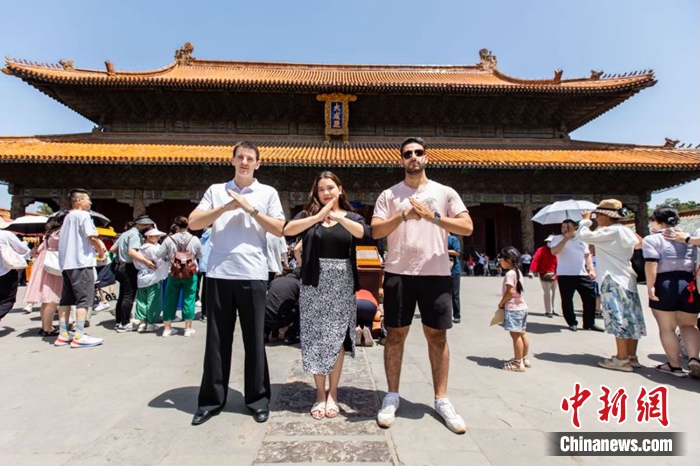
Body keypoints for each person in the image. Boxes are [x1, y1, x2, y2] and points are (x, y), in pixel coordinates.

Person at [371, 136, 473, 434]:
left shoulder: (445, 192)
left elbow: (467, 226)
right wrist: (404, 214)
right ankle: (392, 395)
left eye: (418, 152)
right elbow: (376, 230)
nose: (413, 157)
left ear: (426, 157)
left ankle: (441, 398)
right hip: (399, 273)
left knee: (437, 336)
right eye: (408, 153)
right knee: (395, 335)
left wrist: (434, 217)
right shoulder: (389, 195)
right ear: (401, 160)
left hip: (435, 273)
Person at [189, 141, 285, 426]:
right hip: (220, 273)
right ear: (232, 160)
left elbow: (279, 228)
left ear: (258, 163)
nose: (244, 162)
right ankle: (211, 400)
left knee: (255, 340)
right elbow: (194, 222)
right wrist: (226, 206)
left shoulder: (267, 193)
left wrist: (249, 209)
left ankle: (258, 400)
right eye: (240, 157)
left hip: (253, 273)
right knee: (217, 341)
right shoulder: (216, 190)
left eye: (250, 158)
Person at [283, 171, 370, 420]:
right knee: (315, 337)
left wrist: (337, 216)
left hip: (341, 282)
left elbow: (364, 233)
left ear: (340, 189)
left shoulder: (351, 216)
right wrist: (318, 217)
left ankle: (334, 393)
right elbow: (288, 230)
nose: (326, 193)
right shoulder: (308, 216)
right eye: (321, 189)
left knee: (337, 337)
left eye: (330, 187)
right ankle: (320, 394)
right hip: (313, 283)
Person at [577, 200, 647, 372]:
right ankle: (631, 356)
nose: (596, 218)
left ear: (606, 216)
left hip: (612, 279)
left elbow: (583, 236)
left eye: (598, 215)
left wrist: (585, 221)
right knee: (631, 318)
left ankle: (621, 359)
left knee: (618, 318)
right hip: (627, 278)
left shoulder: (611, 231)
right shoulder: (625, 231)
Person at [642, 207, 700, 378]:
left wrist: (650, 286)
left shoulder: (652, 239)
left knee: (667, 327)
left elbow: (651, 263)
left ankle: (674, 367)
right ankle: (694, 358)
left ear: (656, 221)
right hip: (689, 284)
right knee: (689, 325)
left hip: (664, 282)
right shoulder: (688, 237)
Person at [54, 189, 107, 348]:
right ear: (78, 201)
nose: (90, 202)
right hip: (81, 262)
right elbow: (91, 236)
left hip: (67, 264)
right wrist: (100, 251)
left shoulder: (67, 217)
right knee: (84, 300)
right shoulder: (83, 215)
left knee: (66, 300)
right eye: (87, 199)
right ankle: (79, 335)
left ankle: (63, 334)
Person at [549, 219, 602, 332]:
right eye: (563, 227)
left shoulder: (581, 239)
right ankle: (572, 322)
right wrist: (565, 239)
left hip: (582, 274)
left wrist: (591, 270)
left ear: (575, 228)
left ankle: (589, 323)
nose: (564, 229)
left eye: (567, 227)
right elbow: (554, 251)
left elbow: (587, 256)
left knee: (590, 297)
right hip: (565, 274)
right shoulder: (557, 238)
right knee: (567, 300)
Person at [111, 215, 157, 332]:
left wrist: (121, 254)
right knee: (129, 295)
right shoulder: (135, 235)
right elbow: (132, 252)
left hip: (120, 265)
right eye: (146, 225)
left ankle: (119, 321)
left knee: (122, 295)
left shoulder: (125, 234)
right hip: (129, 266)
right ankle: (124, 323)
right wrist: (145, 261)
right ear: (141, 224)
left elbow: (113, 249)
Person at [24, 214, 66, 336]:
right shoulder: (60, 233)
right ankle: (48, 328)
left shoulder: (49, 233)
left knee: (47, 300)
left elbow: (39, 250)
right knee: (51, 299)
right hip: (54, 265)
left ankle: (45, 326)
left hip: (44, 263)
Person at [162, 215, 202, 337]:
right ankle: (188, 328)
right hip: (190, 273)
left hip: (174, 272)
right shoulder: (194, 239)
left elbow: (160, 254)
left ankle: (167, 328)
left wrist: (170, 258)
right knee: (189, 298)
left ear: (176, 226)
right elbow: (200, 255)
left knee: (170, 299)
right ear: (188, 226)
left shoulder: (169, 239)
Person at [497, 247, 531, 372]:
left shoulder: (509, 274)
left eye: (501, 259)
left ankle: (517, 363)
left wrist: (501, 303)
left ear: (508, 260)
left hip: (513, 308)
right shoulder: (518, 271)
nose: (500, 261)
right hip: (522, 307)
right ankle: (524, 358)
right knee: (522, 333)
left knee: (515, 335)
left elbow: (510, 291)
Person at [134, 227, 169, 333]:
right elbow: (161, 261)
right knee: (153, 300)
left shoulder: (140, 249)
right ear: (149, 236)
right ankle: (151, 323)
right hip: (154, 277)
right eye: (156, 236)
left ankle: (142, 322)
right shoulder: (154, 248)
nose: (158, 237)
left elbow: (136, 263)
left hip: (142, 277)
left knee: (141, 300)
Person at [0, 218, 30, 323]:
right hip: (5, 270)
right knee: (8, 300)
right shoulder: (5, 235)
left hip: (5, 271)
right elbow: (23, 249)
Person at [264, 267, 301, 344]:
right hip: (281, 319)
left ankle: (265, 334)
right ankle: (290, 336)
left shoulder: (275, 281)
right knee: (299, 310)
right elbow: (299, 302)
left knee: (270, 305)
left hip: (265, 318)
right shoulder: (298, 284)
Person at [529, 235, 558, 317]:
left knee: (554, 292)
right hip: (544, 273)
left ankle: (552, 309)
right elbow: (536, 260)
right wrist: (531, 271)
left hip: (555, 274)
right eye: (549, 241)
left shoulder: (557, 250)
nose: (550, 243)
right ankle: (548, 311)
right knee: (547, 292)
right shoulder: (541, 250)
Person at [447, 234, 462, 323]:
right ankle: (446, 314)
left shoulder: (453, 239)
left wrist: (444, 250)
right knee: (444, 294)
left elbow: (457, 252)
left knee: (455, 294)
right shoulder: (439, 239)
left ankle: (457, 315)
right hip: (442, 270)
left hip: (454, 271)